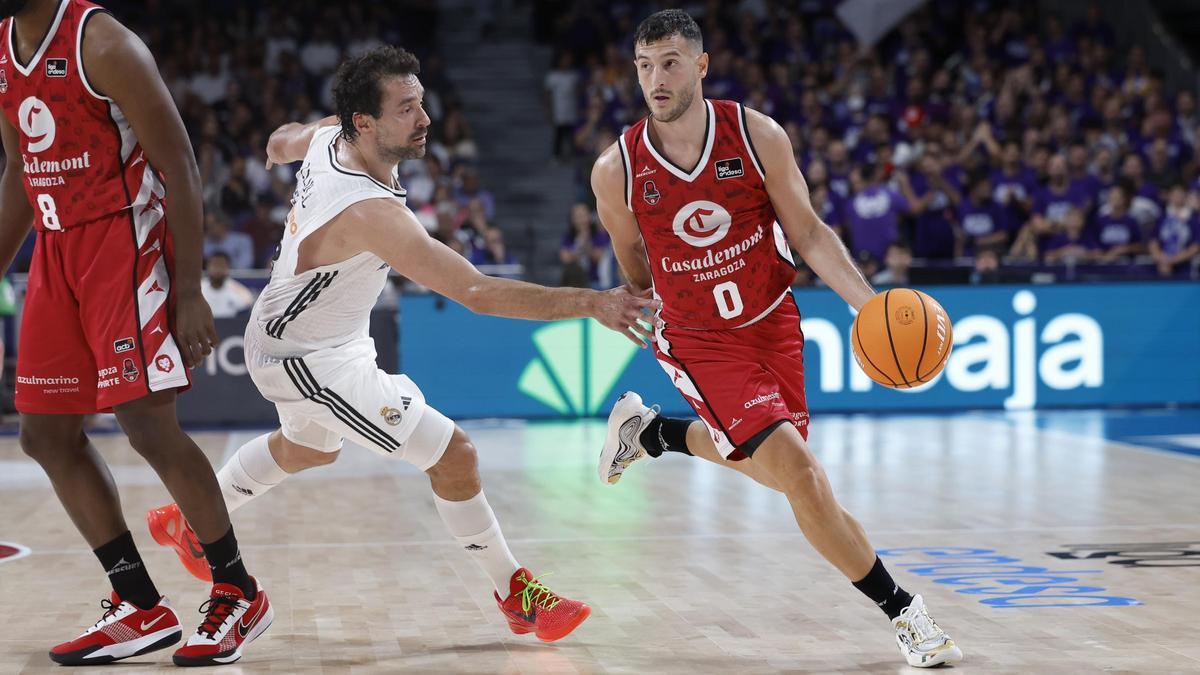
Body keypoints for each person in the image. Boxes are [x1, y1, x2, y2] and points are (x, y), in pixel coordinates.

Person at [146, 46, 657, 644]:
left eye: (422, 103)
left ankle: (188, 520)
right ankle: (513, 591)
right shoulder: (366, 210)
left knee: (308, 450)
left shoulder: (332, 135)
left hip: (316, 338)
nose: (425, 119)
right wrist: (593, 303)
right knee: (455, 454)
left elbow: (284, 138)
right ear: (365, 122)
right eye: (407, 108)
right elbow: (474, 290)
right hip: (306, 359)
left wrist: (278, 146)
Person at [590, 11, 961, 668]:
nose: (656, 78)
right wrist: (666, 307)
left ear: (701, 65)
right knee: (801, 476)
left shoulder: (756, 135)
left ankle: (652, 433)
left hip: (773, 322)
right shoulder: (616, 170)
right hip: (700, 341)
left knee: (772, 465)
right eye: (645, 65)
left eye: (671, 62)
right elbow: (634, 266)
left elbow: (811, 232)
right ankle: (905, 611)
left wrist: (867, 306)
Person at [0, 0, 269, 666]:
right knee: (43, 432)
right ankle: (138, 602)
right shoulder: (3, 50)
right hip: (55, 250)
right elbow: (18, 174)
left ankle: (237, 590)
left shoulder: (107, 44)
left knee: (147, 425)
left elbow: (180, 163)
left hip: (125, 241)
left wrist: (188, 291)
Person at [1149, 184, 1200, 277]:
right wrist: (1161, 258)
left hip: (1185, 266)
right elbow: (1153, 241)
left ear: (1186, 196)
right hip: (1161, 265)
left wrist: (1173, 260)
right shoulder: (1162, 217)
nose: (1177, 197)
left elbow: (1196, 246)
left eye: (1180, 195)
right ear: (1169, 196)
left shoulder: (1193, 218)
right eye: (1175, 194)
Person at [201, 252, 256, 318]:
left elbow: (247, 308)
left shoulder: (240, 291)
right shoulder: (198, 288)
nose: (218, 269)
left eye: (221, 265)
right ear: (207, 267)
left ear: (228, 268)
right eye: (214, 265)